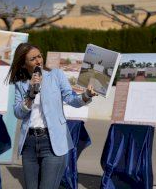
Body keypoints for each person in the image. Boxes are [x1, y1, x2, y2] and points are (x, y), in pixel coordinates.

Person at [5, 43, 97, 189]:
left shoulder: (56, 75)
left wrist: (86, 95)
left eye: (39, 56)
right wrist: (30, 94)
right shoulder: (21, 83)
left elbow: (71, 99)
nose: (38, 61)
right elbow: (18, 113)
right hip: (29, 143)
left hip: (52, 142)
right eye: (33, 59)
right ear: (23, 64)